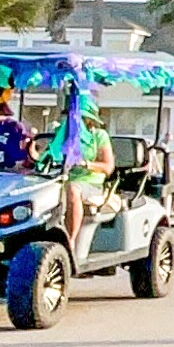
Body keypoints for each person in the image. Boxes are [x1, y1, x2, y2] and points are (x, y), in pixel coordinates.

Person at [43, 98, 111, 248]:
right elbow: (48, 154)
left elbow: (108, 167)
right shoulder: (61, 134)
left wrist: (85, 164)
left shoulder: (99, 136)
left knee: (73, 189)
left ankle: (70, 241)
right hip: (60, 178)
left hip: (91, 182)